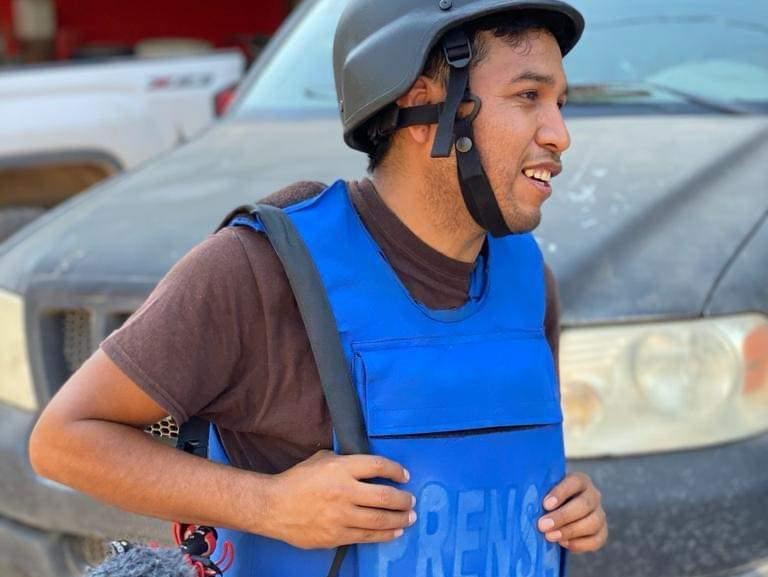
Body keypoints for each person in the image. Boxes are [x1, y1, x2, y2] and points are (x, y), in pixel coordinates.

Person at [29, 0, 608, 575]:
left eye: (559, 103)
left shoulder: (526, 279)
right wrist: (268, 505)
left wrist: (568, 505)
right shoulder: (260, 270)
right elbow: (64, 439)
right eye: (528, 96)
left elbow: (487, 468)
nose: (560, 135)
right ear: (423, 106)